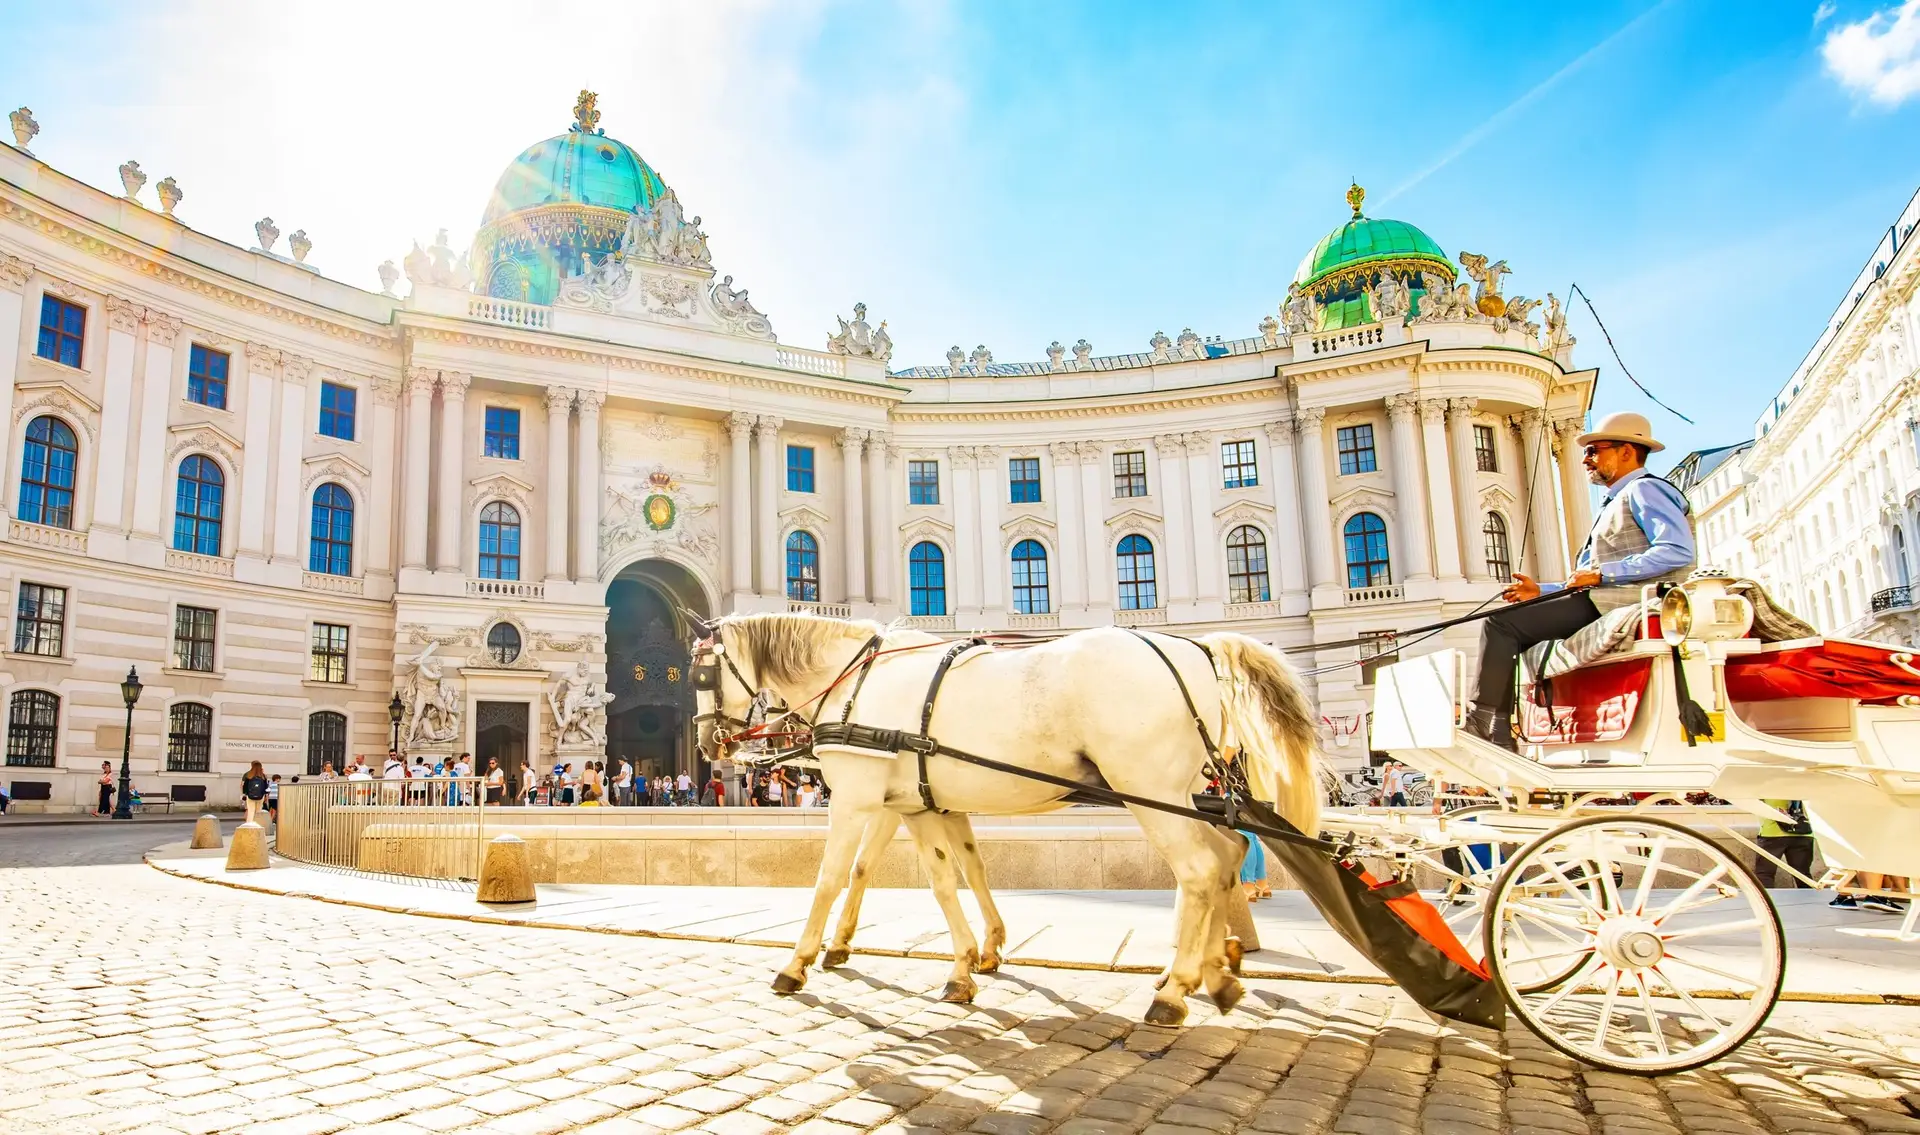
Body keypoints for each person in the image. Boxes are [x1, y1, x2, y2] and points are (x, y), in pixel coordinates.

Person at [1464, 412, 1696, 751]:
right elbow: (1587, 579)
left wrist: (1604, 573)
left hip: (1623, 602)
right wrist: (1541, 591)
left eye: (1595, 450)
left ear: (1627, 452)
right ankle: (1498, 729)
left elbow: (1677, 550)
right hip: (1606, 598)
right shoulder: (1621, 497)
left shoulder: (1645, 490)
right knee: (1512, 629)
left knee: (1500, 625)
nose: (1586, 459)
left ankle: (1484, 721)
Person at [1754, 799, 1815, 889]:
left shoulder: (1765, 787)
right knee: (1803, 874)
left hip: (1772, 833)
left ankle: (1765, 901)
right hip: (1803, 831)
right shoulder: (1803, 786)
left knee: (1765, 873)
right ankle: (1810, 899)